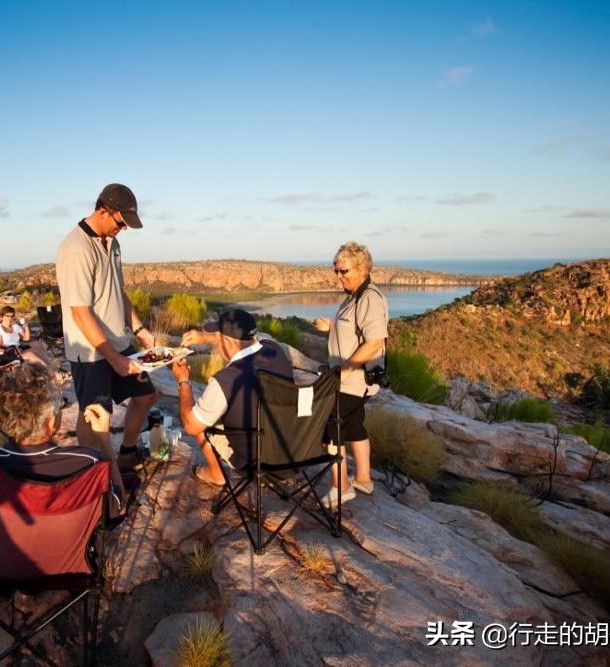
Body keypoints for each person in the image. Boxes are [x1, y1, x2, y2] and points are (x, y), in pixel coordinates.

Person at [0, 361, 130, 516]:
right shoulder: (88, 464)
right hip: (71, 566)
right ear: (50, 423)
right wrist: (103, 438)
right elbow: (117, 509)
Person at [56, 183, 157, 472]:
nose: (122, 229)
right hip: (90, 351)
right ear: (103, 210)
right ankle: (93, 475)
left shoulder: (113, 244)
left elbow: (119, 292)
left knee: (146, 396)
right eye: (120, 222)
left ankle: (126, 451)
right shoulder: (76, 248)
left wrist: (140, 331)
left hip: (119, 343)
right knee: (96, 415)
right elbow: (80, 313)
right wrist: (114, 359)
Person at [171, 309, 293, 487]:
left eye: (218, 338)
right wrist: (204, 337)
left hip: (255, 460)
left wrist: (183, 381)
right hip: (292, 451)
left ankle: (216, 474)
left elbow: (190, 425)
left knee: (202, 415)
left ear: (226, 342)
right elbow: (241, 341)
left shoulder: (227, 380)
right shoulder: (274, 349)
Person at [313, 241, 388, 507]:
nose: (338, 276)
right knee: (355, 425)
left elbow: (375, 342)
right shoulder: (353, 296)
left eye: (343, 271)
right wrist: (331, 327)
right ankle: (364, 480)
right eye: (336, 270)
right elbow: (353, 331)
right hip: (349, 380)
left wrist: (345, 370)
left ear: (361, 269)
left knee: (330, 429)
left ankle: (342, 486)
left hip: (352, 380)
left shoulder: (370, 298)